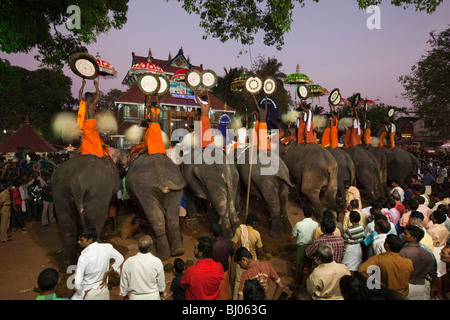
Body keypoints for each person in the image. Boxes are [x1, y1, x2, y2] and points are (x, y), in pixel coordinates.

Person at [72, 226, 124, 300]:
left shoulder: (84, 257)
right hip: (103, 289)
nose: (78, 242)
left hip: (89, 293)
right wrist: (108, 272)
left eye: (81, 240)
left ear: (90, 240)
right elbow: (120, 258)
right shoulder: (107, 248)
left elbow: (78, 282)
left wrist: (81, 294)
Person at [120, 235, 165, 300]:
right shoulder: (157, 261)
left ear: (138, 247)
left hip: (135, 297)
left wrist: (124, 295)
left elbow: (124, 282)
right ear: (151, 247)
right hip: (153, 296)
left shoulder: (128, 262)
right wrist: (161, 291)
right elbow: (161, 281)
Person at [399, 224, 437, 300]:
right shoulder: (427, 252)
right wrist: (433, 286)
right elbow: (434, 272)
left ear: (414, 238)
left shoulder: (402, 252)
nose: (402, 234)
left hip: (406, 287)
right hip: (422, 287)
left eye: (406, 233)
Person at [231, 213, 264, 300]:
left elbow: (233, 245)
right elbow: (260, 250)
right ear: (253, 223)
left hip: (240, 261)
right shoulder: (256, 234)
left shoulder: (239, 230)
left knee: (238, 281)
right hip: (252, 261)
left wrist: (233, 256)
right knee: (252, 281)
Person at [78, 79, 109, 158]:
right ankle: (98, 154)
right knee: (96, 140)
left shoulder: (83, 103)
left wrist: (83, 85)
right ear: (91, 97)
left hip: (85, 124)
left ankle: (86, 151)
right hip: (92, 123)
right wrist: (96, 86)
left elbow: (80, 93)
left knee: (86, 139)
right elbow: (98, 96)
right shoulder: (92, 104)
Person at [291, 205, 319, 286]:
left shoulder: (299, 224)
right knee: (310, 266)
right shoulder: (315, 224)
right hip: (312, 246)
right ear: (312, 213)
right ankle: (309, 284)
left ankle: (299, 284)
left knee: (300, 267)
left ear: (303, 213)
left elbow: (294, 235)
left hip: (301, 247)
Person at [427, 210, 449, 299]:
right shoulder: (444, 228)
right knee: (443, 270)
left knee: (438, 273)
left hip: (435, 249)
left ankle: (439, 292)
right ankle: (444, 289)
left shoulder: (431, 229)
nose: (430, 216)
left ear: (435, 219)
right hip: (443, 247)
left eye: (432, 215)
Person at [210, 223, 233, 300]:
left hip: (214, 273)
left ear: (212, 233)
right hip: (224, 272)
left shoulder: (211, 246)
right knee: (224, 294)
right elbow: (232, 255)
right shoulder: (228, 244)